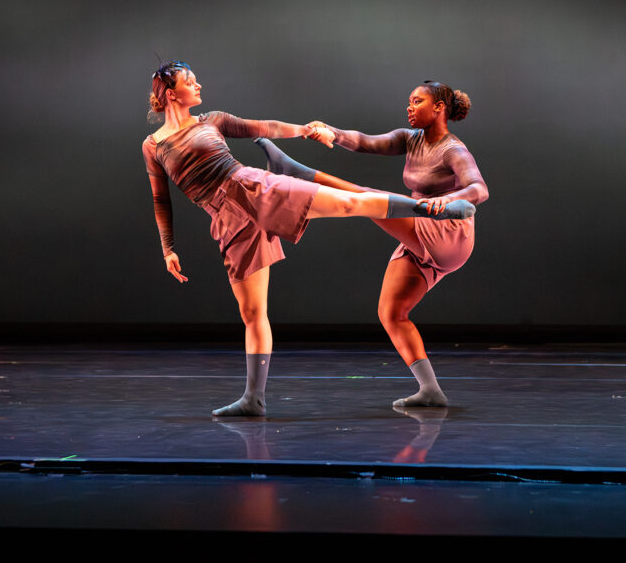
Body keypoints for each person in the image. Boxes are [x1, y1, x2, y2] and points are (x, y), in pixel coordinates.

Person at [142, 63, 475, 417]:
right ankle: (254, 398)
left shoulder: (212, 120)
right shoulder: (153, 146)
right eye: (189, 82)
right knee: (252, 312)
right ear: (169, 93)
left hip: (251, 187)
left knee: (351, 203)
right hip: (225, 218)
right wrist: (168, 248)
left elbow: (263, 127)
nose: (198, 85)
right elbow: (160, 198)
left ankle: (431, 211)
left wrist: (304, 130)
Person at [255, 80, 488, 407]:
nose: (409, 107)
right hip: (419, 225)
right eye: (408, 101)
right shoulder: (410, 139)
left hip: (447, 233)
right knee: (392, 312)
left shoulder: (454, 150)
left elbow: (479, 190)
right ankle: (431, 391)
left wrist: (448, 200)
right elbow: (365, 142)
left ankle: (298, 174)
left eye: (417, 101)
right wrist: (332, 133)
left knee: (369, 200)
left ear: (439, 108)